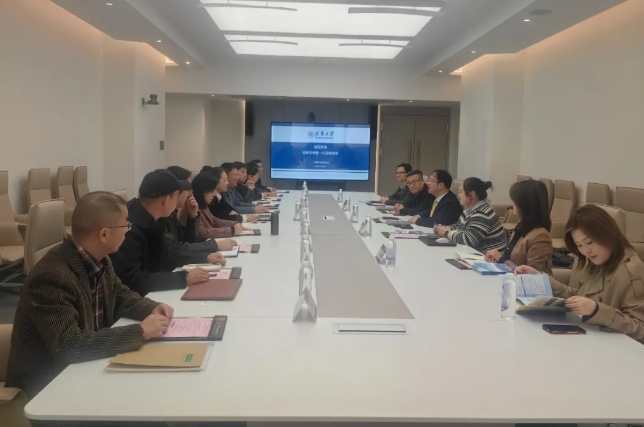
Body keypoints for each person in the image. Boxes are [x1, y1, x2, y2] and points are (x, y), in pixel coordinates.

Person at [6, 192, 174, 400]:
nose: (128, 230)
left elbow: (119, 294)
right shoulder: (51, 276)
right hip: (50, 386)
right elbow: (69, 345)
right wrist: (139, 332)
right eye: (125, 225)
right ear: (104, 234)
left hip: (88, 366)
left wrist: (150, 307)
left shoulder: (99, 258)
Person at [516, 205, 644, 343]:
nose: (586, 251)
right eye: (579, 245)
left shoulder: (631, 271)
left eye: (589, 242)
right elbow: (581, 297)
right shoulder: (597, 259)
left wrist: (597, 310)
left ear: (607, 234)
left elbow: (640, 329)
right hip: (591, 338)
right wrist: (541, 279)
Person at [111, 169, 210, 296]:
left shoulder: (155, 218)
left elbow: (167, 255)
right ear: (165, 200)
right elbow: (132, 281)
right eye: (176, 196)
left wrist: (202, 260)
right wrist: (182, 278)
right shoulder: (129, 227)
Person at [164, 166, 235, 265]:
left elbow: (188, 241)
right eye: (188, 189)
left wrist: (193, 217)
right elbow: (178, 250)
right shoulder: (165, 216)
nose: (190, 194)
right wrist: (214, 246)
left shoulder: (175, 213)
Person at [484, 180, 553, 274]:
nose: (512, 205)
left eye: (514, 201)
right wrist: (497, 257)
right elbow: (511, 259)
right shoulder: (522, 226)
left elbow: (530, 274)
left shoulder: (540, 236)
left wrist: (500, 258)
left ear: (524, 204)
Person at [434, 178, 507, 253]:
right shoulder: (469, 210)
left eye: (461, 192)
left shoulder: (482, 214)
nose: (459, 195)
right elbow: (459, 226)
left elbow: (468, 240)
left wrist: (446, 232)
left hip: (487, 257)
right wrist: (443, 228)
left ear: (471, 194)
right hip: (473, 253)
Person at [193, 171, 251, 239]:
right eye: (212, 191)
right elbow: (203, 232)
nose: (214, 194)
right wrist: (232, 230)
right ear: (202, 190)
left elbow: (215, 220)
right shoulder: (194, 207)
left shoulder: (203, 205)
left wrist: (235, 224)